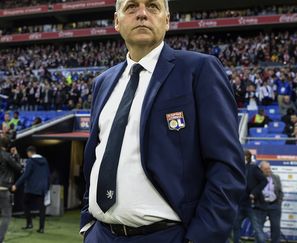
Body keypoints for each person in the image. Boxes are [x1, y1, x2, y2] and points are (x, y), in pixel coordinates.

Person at [80, 0, 245, 242]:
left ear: (167, 20)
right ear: (117, 21)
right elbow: (96, 155)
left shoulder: (198, 69)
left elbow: (227, 165)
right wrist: (88, 224)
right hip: (100, 234)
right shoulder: (103, 82)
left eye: (153, 7)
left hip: (166, 235)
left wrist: (202, 237)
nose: (142, 14)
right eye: (132, 7)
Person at [12, 146, 50, 233]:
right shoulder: (44, 160)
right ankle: (41, 228)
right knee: (42, 209)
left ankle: (29, 223)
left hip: (31, 188)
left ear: (29, 153)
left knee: (25, 204)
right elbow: (48, 175)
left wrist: (16, 185)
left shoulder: (30, 161)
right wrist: (47, 187)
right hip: (42, 188)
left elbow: (26, 175)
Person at [232, 150, 267, 243]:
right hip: (239, 204)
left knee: (258, 229)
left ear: (247, 157)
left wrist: (254, 193)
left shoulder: (253, 168)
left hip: (252, 205)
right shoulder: (237, 169)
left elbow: (264, 181)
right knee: (235, 227)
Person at [256, 161, 283, 243]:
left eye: (269, 168)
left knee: (275, 227)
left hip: (274, 206)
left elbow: (280, 191)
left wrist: (279, 203)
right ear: (260, 170)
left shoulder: (276, 177)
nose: (268, 170)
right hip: (261, 206)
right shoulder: (256, 179)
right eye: (266, 169)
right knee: (258, 227)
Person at [0, 137, 21, 242]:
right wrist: (16, 155)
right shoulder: (7, 156)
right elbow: (19, 168)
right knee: (6, 216)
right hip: (3, 189)